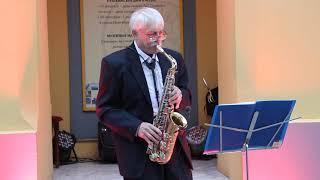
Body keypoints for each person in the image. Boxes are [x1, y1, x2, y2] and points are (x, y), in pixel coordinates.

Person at [96, 7, 193, 180]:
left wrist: (180, 95)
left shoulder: (174, 58)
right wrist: (137, 127)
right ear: (135, 33)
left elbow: (187, 94)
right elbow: (105, 109)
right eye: (152, 34)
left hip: (175, 151)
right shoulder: (114, 64)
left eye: (162, 33)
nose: (159, 39)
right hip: (138, 154)